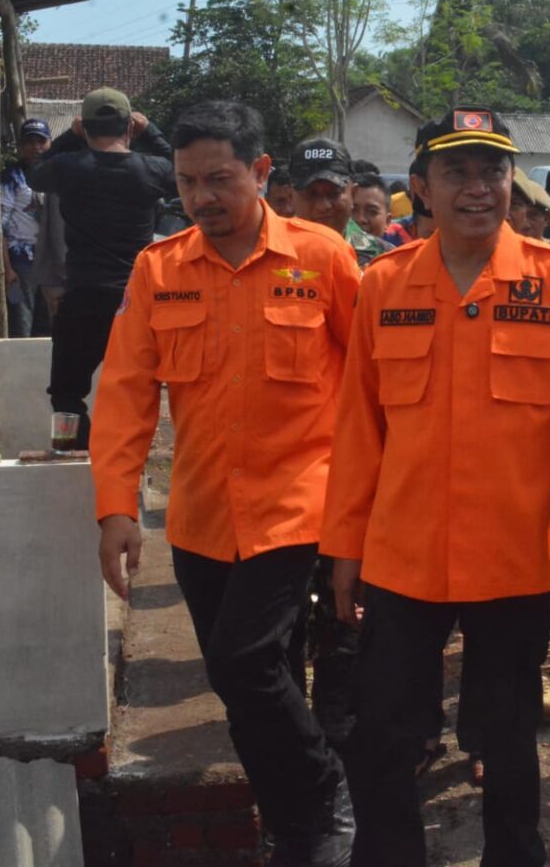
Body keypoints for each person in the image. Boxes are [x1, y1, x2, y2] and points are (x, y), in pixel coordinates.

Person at [321, 106, 550, 867]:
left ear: (513, 181)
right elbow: (358, 431)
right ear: (422, 187)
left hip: (514, 558)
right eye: (457, 172)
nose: (478, 188)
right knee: (383, 731)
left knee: (507, 739)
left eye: (493, 171)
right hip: (404, 558)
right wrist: (344, 547)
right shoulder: (384, 284)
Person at [91, 100, 362, 867]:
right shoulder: (160, 269)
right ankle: (297, 830)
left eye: (220, 179)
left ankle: (324, 794)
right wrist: (116, 506)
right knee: (245, 684)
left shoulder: (325, 259)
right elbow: (126, 394)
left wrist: (366, 510)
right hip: (203, 514)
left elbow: (373, 388)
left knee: (245, 663)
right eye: (186, 182)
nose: (202, 197)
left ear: (261, 172)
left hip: (299, 502)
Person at [31, 87, 175, 448]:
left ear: (85, 126)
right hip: (136, 300)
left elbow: (34, 172)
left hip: (82, 296)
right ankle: (128, 464)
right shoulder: (150, 169)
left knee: (66, 393)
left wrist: (69, 137)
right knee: (136, 389)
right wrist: (151, 131)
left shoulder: (67, 167)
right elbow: (180, 169)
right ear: (129, 126)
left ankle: (79, 462)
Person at [289, 138, 390, 267]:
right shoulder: (269, 256)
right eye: (311, 194)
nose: (323, 206)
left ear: (353, 193)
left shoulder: (384, 259)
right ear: (291, 197)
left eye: (333, 193)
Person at [1, 118, 50, 338]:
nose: (35, 147)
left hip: (51, 262)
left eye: (41, 141)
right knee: (22, 322)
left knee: (47, 324)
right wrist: (7, 268)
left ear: (49, 143)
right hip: (21, 261)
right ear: (21, 146)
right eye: (29, 142)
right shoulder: (12, 177)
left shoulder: (57, 174)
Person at [351, 173, 391, 242]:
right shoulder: (328, 251)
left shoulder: (397, 252)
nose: (360, 219)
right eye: (352, 210)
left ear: (387, 221)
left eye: (372, 212)